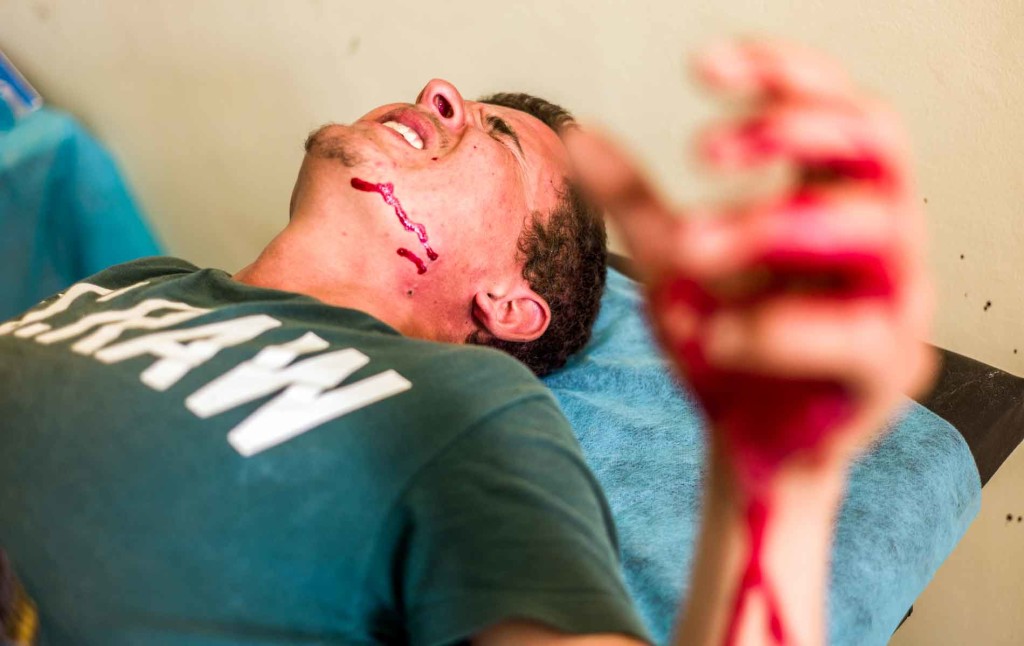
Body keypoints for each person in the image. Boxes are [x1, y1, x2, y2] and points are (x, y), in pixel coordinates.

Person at [0, 40, 932, 646]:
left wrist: (770, 494)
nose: (437, 91)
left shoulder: (464, 410)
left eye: (496, 136)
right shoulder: (142, 281)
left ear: (509, 302)